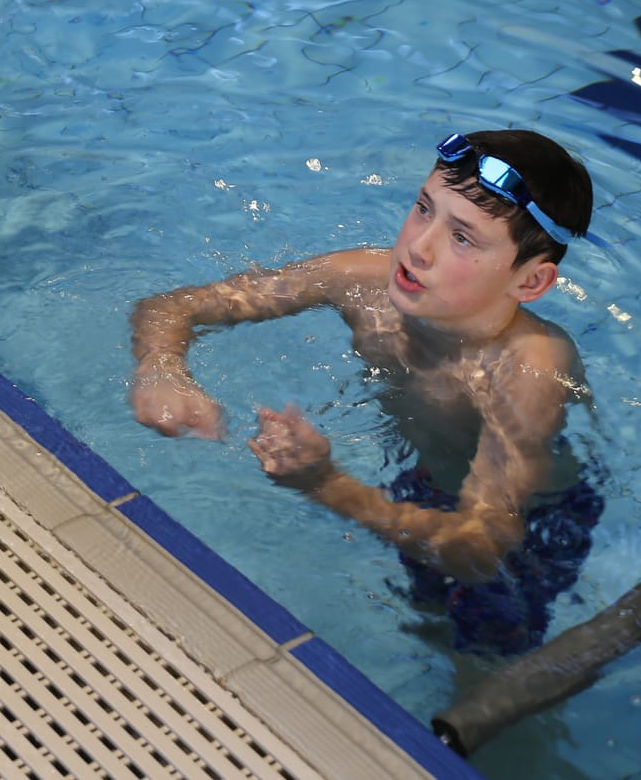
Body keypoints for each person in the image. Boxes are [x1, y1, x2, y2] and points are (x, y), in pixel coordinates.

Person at [129, 130, 601, 655]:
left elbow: (483, 546)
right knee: (424, 620)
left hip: (531, 522)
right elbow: (173, 307)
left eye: (462, 238)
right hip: (424, 482)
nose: (418, 247)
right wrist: (161, 370)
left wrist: (327, 485)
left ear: (531, 283)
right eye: (424, 209)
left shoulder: (529, 368)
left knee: (481, 655)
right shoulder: (362, 280)